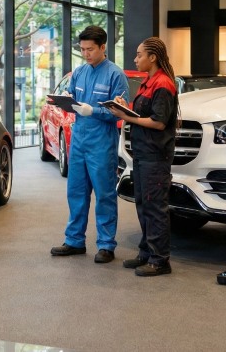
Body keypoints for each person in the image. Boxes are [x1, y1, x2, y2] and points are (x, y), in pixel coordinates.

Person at [51, 25, 129, 263]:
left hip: (102, 142)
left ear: (103, 47)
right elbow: (73, 100)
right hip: (79, 140)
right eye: (82, 49)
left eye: (90, 49)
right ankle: (74, 240)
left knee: (104, 194)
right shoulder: (79, 72)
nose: (86, 53)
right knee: (76, 192)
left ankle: (106, 245)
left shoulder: (116, 75)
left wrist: (92, 110)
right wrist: (63, 103)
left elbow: (119, 112)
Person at [107, 37, 178, 277]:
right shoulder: (149, 82)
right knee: (143, 204)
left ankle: (160, 260)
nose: (135, 59)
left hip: (155, 155)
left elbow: (158, 122)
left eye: (139, 55)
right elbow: (144, 113)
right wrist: (123, 106)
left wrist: (126, 117)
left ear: (153, 57)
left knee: (155, 207)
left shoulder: (163, 84)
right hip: (142, 152)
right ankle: (147, 253)